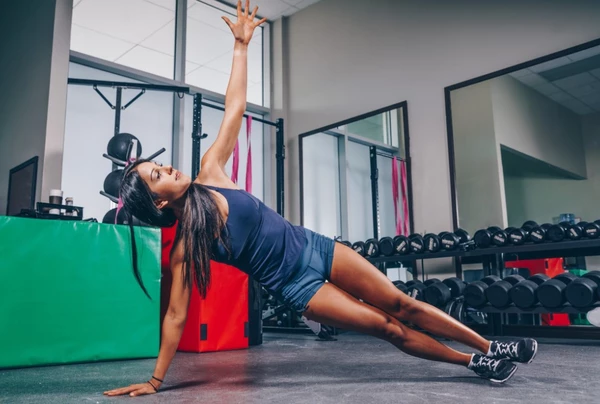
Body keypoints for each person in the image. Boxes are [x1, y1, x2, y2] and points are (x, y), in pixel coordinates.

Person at [104, 1, 537, 397]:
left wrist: (241, 47)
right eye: (157, 176)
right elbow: (176, 316)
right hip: (299, 287)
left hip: (316, 247)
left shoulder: (211, 170)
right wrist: (156, 380)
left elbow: (234, 107)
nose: (168, 169)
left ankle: (491, 345)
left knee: (400, 302)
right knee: (387, 327)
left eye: (160, 165)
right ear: (158, 203)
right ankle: (473, 362)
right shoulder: (186, 248)